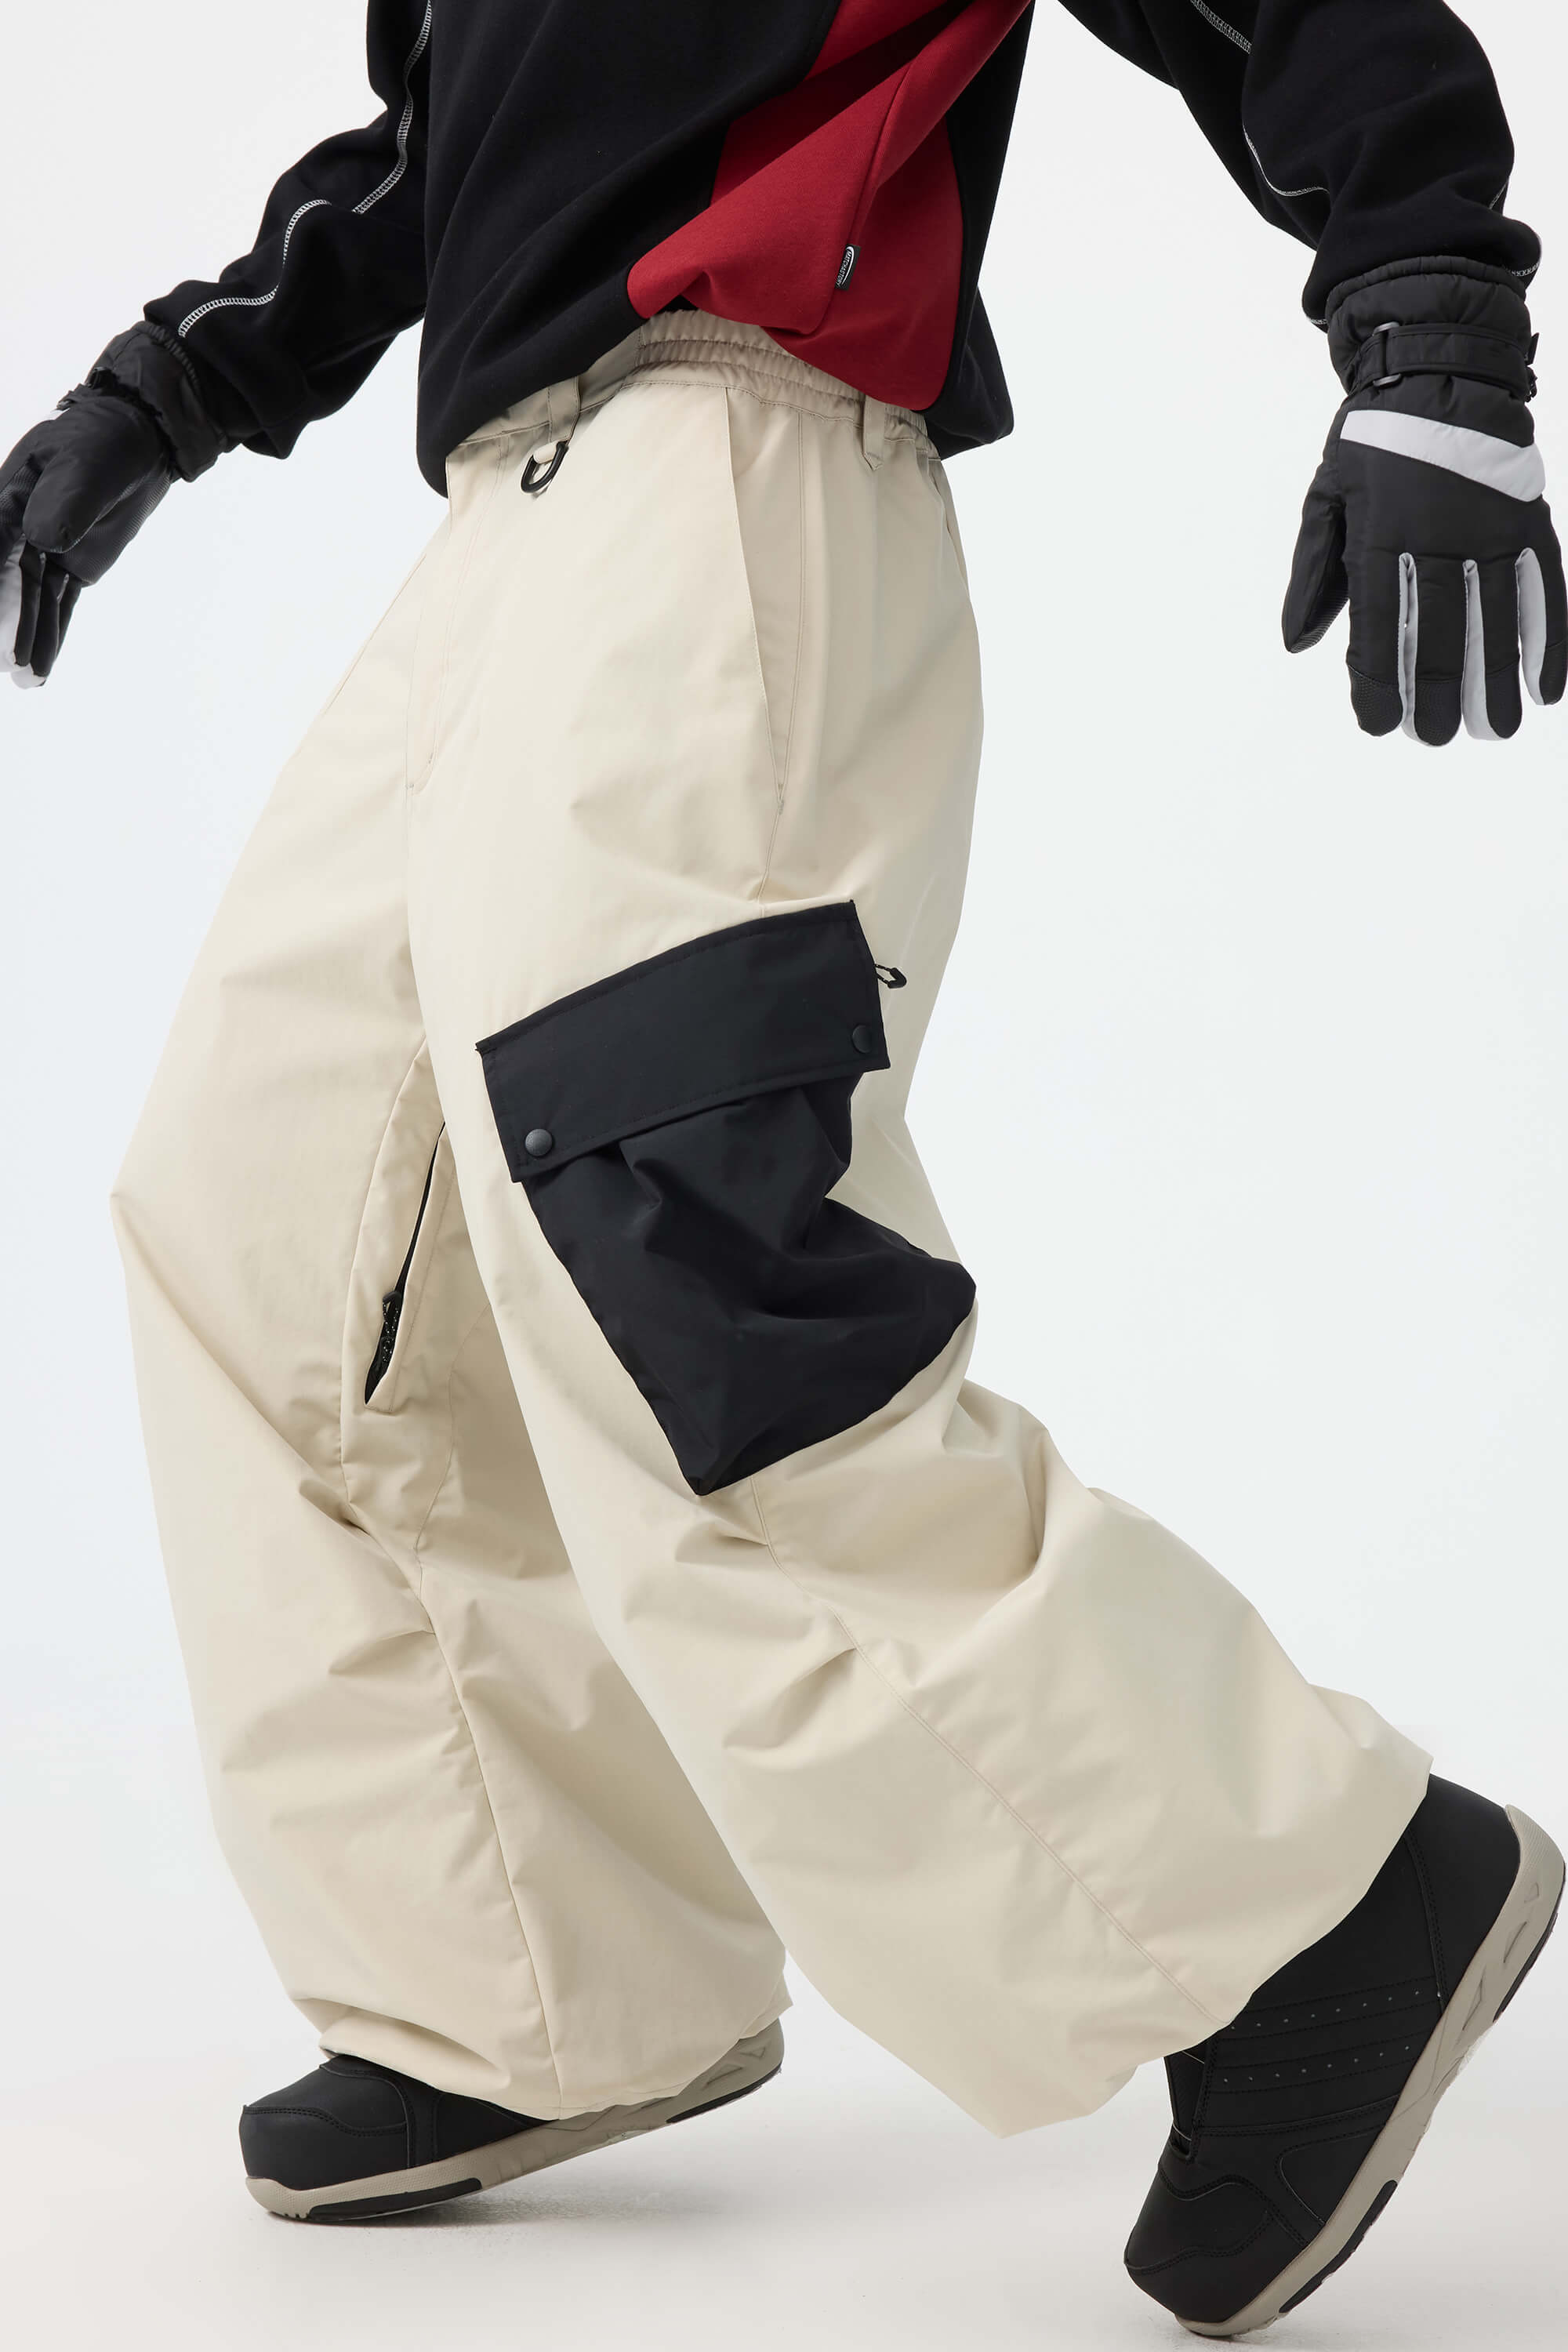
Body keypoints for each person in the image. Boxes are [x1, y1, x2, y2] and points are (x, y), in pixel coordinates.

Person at [3, 2, 1561, 2332]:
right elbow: (436, 152)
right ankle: (536, 1980)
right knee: (272, 1230)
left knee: (671, 1233)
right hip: (502, 530)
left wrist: (1428, 321)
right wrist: (165, 393)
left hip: (727, 461)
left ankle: (1305, 1907)